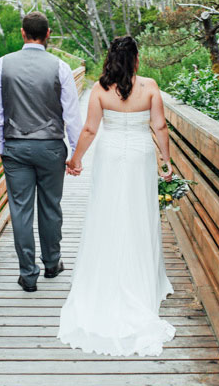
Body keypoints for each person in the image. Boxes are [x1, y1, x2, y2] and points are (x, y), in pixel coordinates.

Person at [57, 36, 176, 356]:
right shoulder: (150, 87)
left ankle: (107, 276)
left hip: (110, 156)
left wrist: (76, 159)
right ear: (136, 58)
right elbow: (160, 126)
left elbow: (90, 130)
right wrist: (166, 160)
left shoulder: (100, 89)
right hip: (139, 155)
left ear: (111, 59)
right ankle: (143, 281)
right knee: (139, 213)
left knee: (107, 213)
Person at [0, 11, 82, 293]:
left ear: (22, 33)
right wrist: (75, 154)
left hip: (15, 147)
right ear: (48, 33)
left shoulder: (2, 65)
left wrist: (0, 148)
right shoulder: (60, 67)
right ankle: (52, 264)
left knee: (21, 211)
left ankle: (28, 275)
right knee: (50, 206)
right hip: (51, 147)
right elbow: (72, 115)